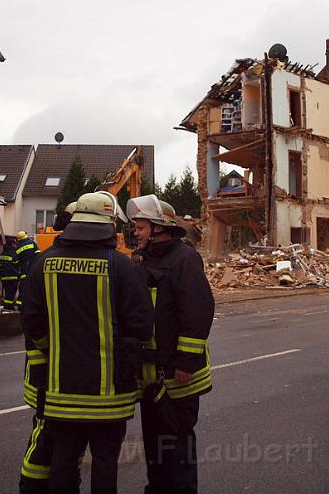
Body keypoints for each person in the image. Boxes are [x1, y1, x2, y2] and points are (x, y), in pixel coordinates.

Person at [21, 192, 153, 493]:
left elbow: (31, 322)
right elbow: (142, 325)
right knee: (105, 463)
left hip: (60, 394)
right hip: (109, 397)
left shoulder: (44, 264)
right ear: (108, 223)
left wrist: (50, 349)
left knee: (63, 461)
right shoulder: (121, 267)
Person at [127, 194, 214, 494]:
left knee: (177, 445)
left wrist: (185, 362)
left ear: (158, 226)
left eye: (140, 227)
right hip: (152, 375)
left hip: (178, 374)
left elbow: (197, 311)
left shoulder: (184, 258)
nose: (135, 232)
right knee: (154, 442)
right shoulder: (142, 260)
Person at [15, 230, 40, 310]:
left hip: (24, 272)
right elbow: (38, 255)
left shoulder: (18, 248)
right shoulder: (33, 244)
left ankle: (20, 306)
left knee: (23, 289)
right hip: (33, 271)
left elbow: (15, 261)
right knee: (33, 289)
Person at [0, 235, 20, 311]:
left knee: (7, 293)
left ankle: (7, 307)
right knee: (11, 294)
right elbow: (17, 264)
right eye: (15, 243)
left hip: (4, 278)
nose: (16, 245)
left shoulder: (2, 254)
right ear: (12, 244)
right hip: (13, 277)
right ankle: (9, 307)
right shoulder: (14, 254)